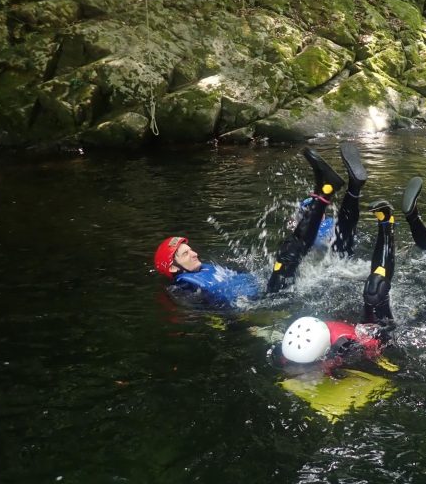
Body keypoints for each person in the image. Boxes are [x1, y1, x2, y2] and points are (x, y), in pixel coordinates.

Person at [153, 144, 367, 307]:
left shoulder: (203, 269)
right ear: (173, 268)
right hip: (267, 295)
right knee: (289, 253)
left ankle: (352, 189)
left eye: (189, 249)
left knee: (334, 251)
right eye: (185, 253)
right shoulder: (183, 287)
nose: (194, 253)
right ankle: (325, 189)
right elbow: (214, 310)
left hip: (265, 283)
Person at [271, 199, 397, 374]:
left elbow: (376, 347)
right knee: (375, 290)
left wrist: (380, 360)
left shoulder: (346, 346)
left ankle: (386, 223)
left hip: (361, 333)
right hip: (340, 325)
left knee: (375, 290)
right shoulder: (288, 350)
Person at [268, 143, 367, 292]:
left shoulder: (310, 228)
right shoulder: (329, 223)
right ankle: (351, 190)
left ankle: (326, 189)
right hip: (345, 264)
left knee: (287, 256)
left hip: (322, 269)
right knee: (343, 239)